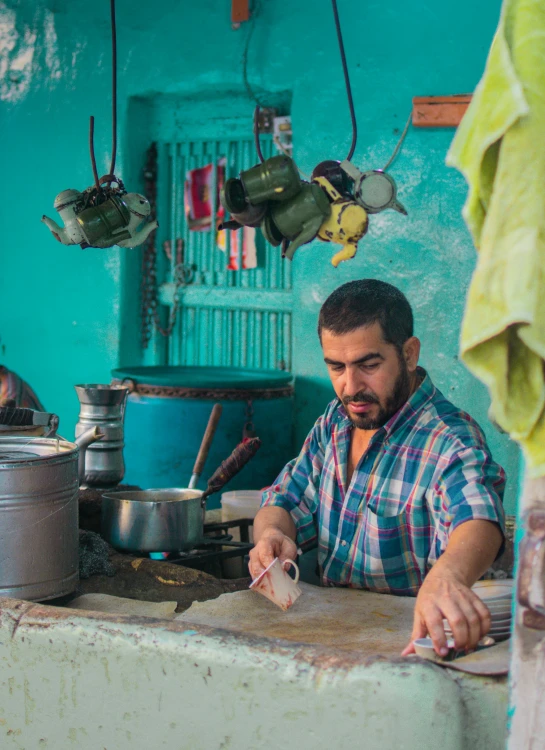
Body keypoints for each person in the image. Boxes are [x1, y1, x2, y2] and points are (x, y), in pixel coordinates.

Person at [249, 279, 505, 657]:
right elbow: (284, 499)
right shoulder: (334, 424)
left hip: (413, 648)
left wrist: (449, 576)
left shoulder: (448, 439)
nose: (351, 387)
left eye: (368, 365)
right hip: (335, 639)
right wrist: (271, 534)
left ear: (409, 354)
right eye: (336, 367)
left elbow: (477, 516)